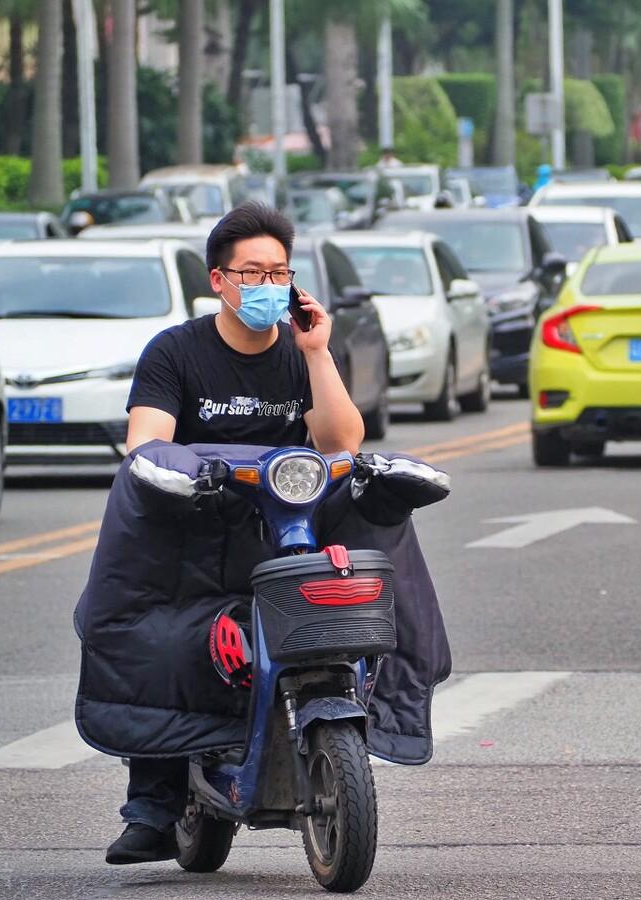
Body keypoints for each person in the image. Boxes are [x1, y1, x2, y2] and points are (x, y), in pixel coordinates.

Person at [104, 203, 364, 864]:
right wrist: (184, 472)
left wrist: (315, 351)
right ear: (219, 280)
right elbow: (146, 443)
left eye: (278, 272)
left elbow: (342, 441)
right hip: (190, 532)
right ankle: (155, 803)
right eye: (252, 272)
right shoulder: (175, 352)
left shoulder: (300, 356)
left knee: (357, 604)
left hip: (284, 531)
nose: (266, 286)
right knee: (162, 635)